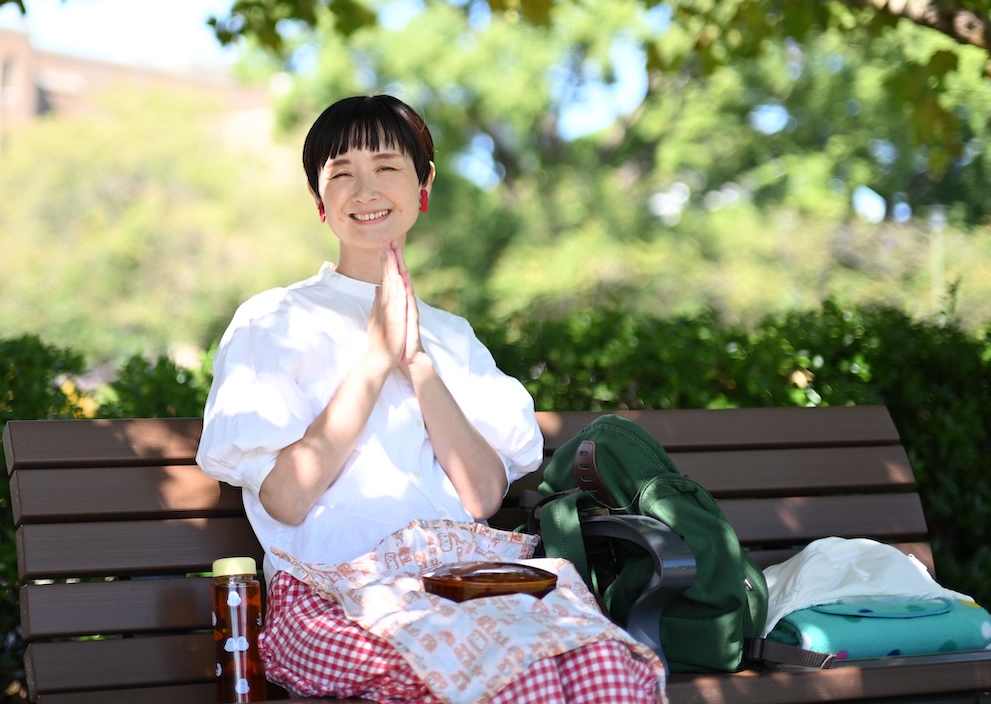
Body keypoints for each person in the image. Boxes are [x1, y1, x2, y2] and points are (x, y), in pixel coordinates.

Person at [197, 94, 664, 704]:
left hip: (464, 582)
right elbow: (286, 497)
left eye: (387, 167)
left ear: (424, 183)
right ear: (319, 200)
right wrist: (373, 358)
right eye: (341, 173)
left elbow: (483, 495)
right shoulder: (275, 320)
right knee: (512, 681)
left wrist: (418, 363)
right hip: (331, 597)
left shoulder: (451, 336)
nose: (364, 189)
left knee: (601, 664)